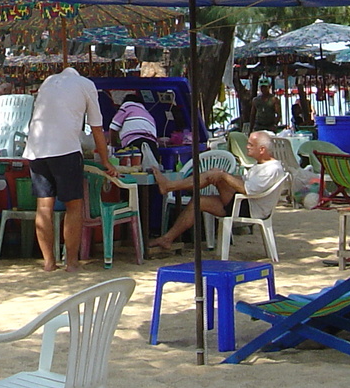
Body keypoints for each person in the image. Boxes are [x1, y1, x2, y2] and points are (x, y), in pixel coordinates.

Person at [24, 67, 113, 273]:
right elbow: (97, 128)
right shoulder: (86, 85)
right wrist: (106, 161)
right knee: (74, 206)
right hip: (66, 149)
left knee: (44, 207)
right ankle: (71, 263)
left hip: (36, 148)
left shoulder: (48, 82)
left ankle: (49, 263)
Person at [146, 131, 286, 254]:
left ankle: (169, 186)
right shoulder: (261, 165)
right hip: (242, 202)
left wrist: (223, 176)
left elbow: (247, 189)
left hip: (249, 208)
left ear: (262, 149)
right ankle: (167, 239)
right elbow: (245, 181)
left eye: (251, 145)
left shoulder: (271, 169)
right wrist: (222, 174)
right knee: (198, 201)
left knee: (214, 176)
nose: (247, 147)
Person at [108, 93, 161, 170]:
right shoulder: (148, 114)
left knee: (133, 171)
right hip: (152, 145)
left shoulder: (127, 106)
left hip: (134, 143)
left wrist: (113, 145)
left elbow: (113, 127)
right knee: (152, 172)